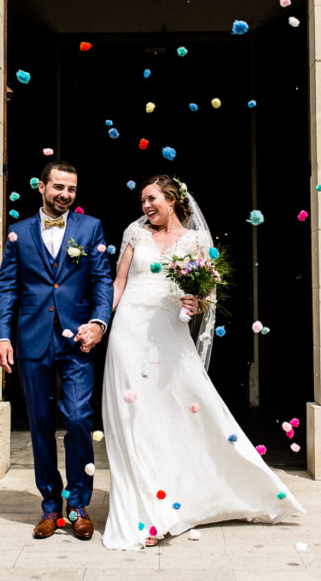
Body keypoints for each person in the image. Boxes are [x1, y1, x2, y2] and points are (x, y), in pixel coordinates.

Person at [101, 175, 303, 550]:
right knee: (133, 417)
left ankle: (196, 492)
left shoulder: (196, 241)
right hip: (129, 332)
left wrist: (196, 304)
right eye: (143, 201)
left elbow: (206, 298)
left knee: (179, 412)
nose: (146, 206)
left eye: (152, 199)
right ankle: (143, 508)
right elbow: (117, 283)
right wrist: (99, 322)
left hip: (169, 334)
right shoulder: (135, 232)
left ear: (173, 200)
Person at [0, 161, 113, 540]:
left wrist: (98, 323)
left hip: (78, 339)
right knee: (41, 425)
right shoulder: (18, 233)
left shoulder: (90, 227)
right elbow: (7, 288)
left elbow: (102, 279)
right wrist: (2, 336)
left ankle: (78, 505)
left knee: (78, 418)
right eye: (59, 187)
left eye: (71, 189)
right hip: (33, 340)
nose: (65, 194)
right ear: (41, 187)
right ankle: (49, 506)